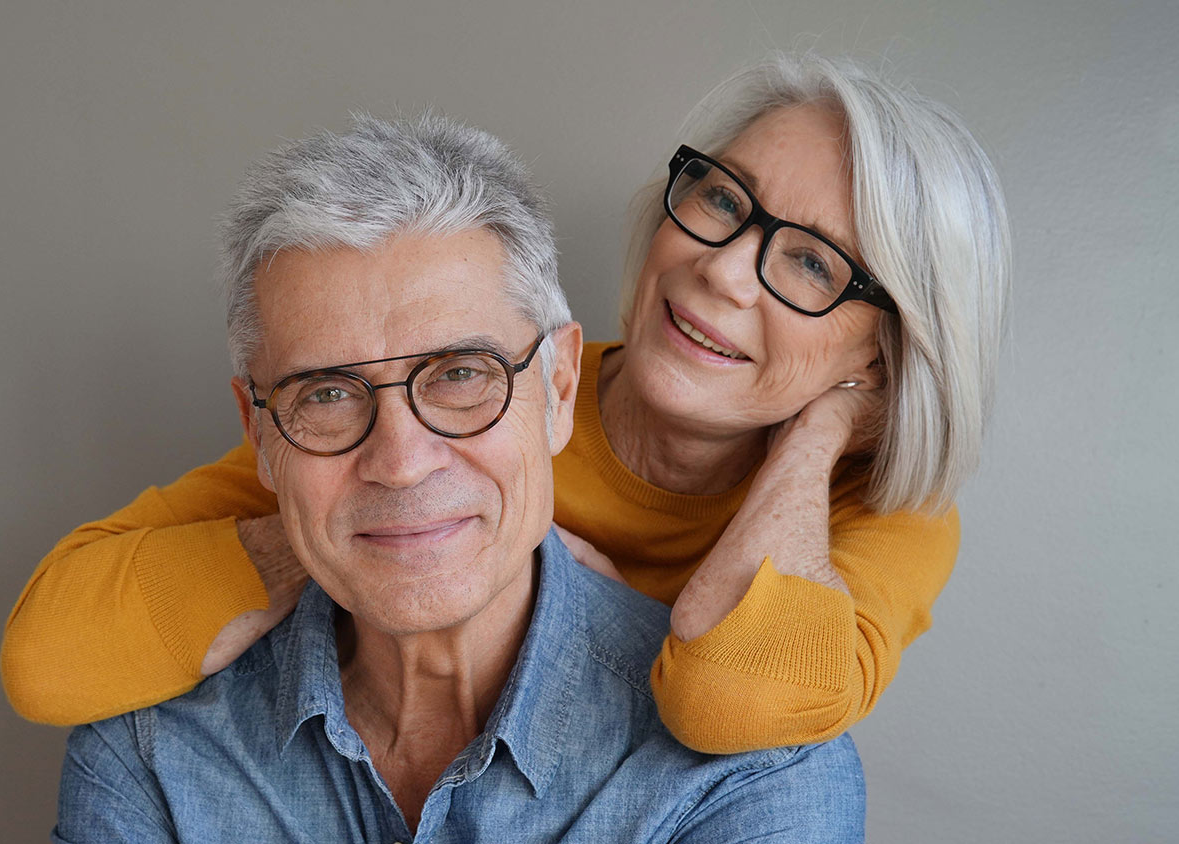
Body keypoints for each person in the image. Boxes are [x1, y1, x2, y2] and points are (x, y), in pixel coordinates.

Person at [3, 52, 1011, 752]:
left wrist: (823, 428)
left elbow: (737, 699)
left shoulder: (880, 516)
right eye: (721, 199)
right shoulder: (477, 390)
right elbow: (50, 654)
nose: (723, 271)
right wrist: (366, 527)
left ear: (884, 347)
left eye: (809, 263)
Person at [53, 113, 865, 843]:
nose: (402, 463)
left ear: (558, 389)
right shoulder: (149, 751)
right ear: (259, 433)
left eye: (461, 374)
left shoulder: (753, 776)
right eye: (327, 394)